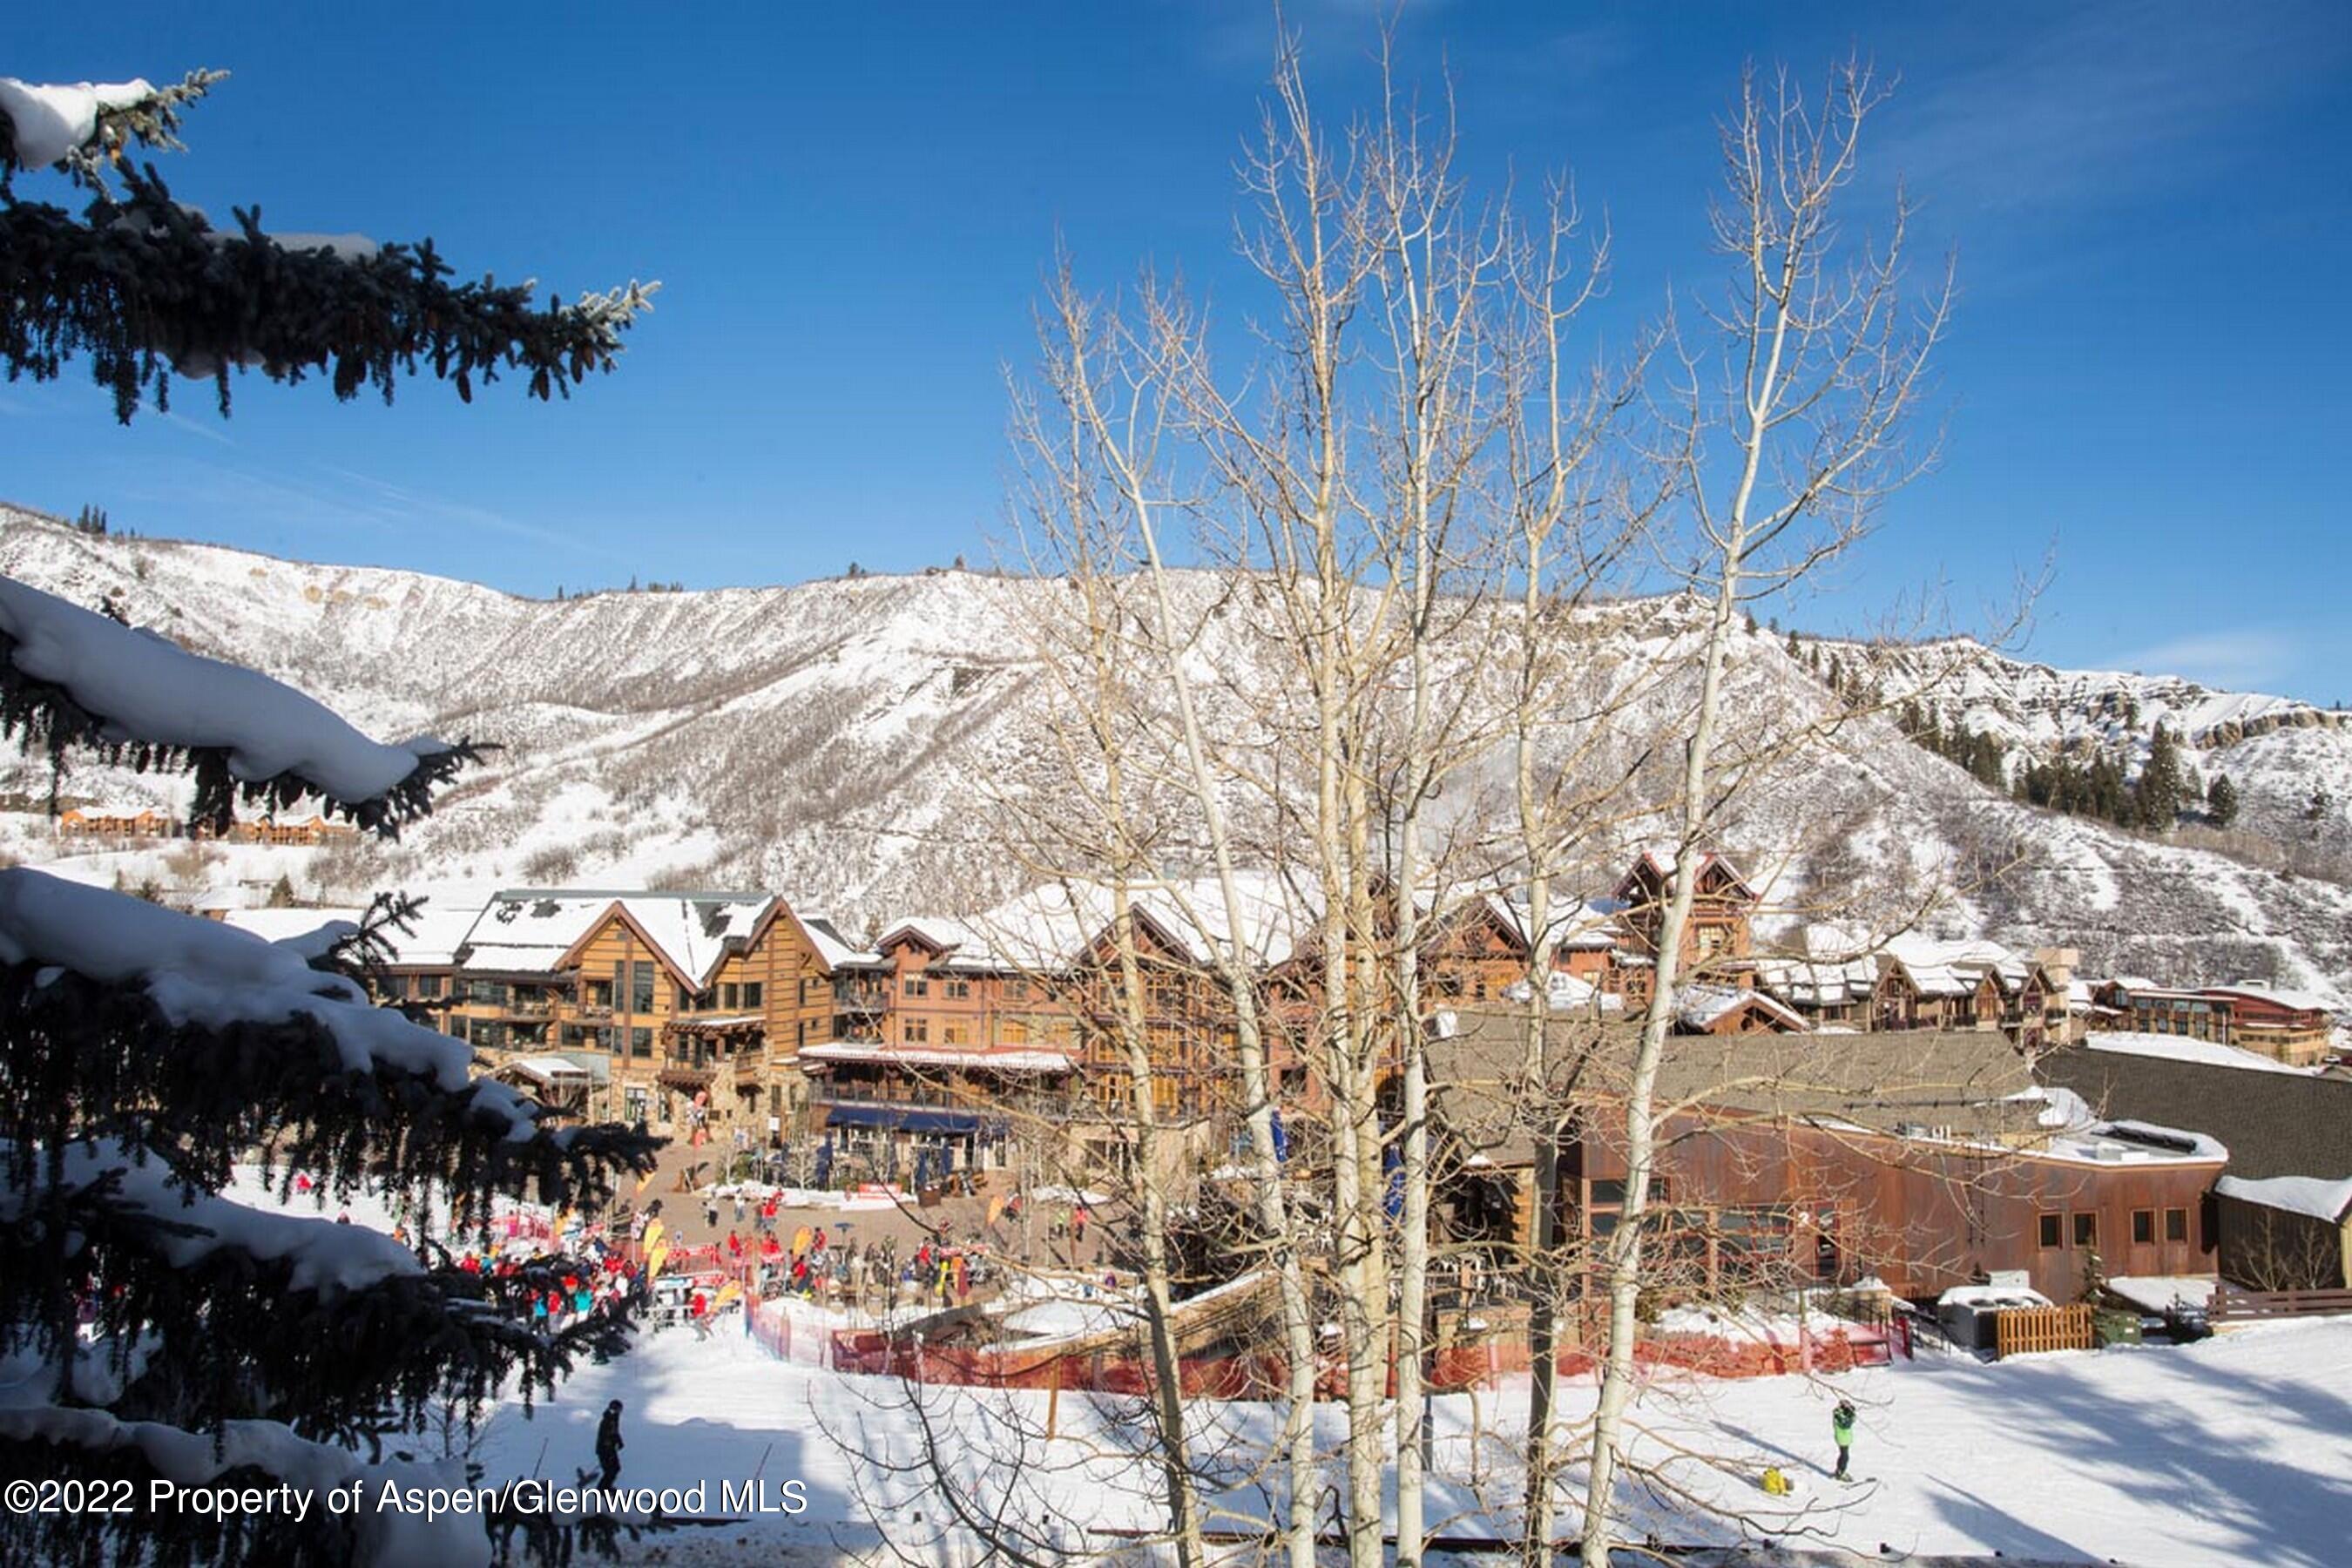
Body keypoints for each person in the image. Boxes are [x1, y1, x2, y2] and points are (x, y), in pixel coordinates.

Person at [595, 1400, 625, 1489]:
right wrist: (608, 1448)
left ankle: (607, 1487)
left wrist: (619, 1442)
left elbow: (615, 1432)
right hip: (605, 1450)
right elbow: (605, 1435)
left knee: (615, 1468)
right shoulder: (608, 1420)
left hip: (610, 1449)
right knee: (610, 1470)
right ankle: (602, 1489)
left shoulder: (614, 1419)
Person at [1831, 1400, 1857, 1480]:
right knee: (1845, 1456)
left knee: (1844, 1455)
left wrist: (1851, 1412)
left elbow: (1852, 1419)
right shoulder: (1838, 1415)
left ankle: (1839, 1470)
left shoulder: (1843, 1413)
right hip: (1842, 1438)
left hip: (1846, 1437)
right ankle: (1841, 1472)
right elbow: (1846, 1424)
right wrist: (1851, 1415)